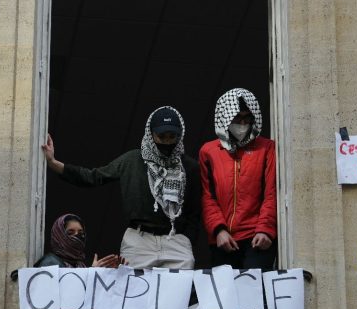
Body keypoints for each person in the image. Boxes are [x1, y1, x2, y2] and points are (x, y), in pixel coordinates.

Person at [42, 106, 201, 269]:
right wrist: (53, 163)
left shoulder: (190, 167)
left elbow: (195, 210)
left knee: (181, 292)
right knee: (135, 292)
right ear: (151, 134)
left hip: (176, 240)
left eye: (172, 136)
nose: (167, 142)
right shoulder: (131, 161)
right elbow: (93, 177)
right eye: (161, 136)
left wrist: (187, 238)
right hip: (139, 242)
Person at [199, 88, 277, 271]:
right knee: (226, 297)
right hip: (223, 240)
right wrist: (219, 230)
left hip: (257, 238)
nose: (242, 124)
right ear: (225, 117)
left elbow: (272, 192)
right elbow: (207, 196)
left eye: (247, 119)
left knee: (254, 296)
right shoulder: (208, 151)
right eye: (237, 119)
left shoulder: (267, 148)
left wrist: (265, 229)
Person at [34, 213, 124, 268]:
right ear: (59, 235)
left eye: (80, 232)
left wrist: (115, 273)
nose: (77, 236)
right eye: (70, 232)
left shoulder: (79, 265)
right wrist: (92, 273)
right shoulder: (49, 264)